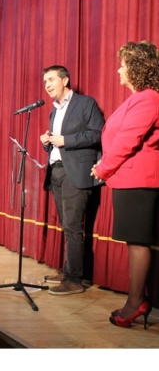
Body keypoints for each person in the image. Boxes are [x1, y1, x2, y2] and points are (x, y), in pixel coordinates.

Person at [91, 40, 159, 328]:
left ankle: (135, 303)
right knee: (135, 241)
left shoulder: (148, 98)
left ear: (137, 68)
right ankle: (136, 300)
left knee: (138, 241)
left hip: (139, 180)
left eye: (123, 64)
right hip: (130, 178)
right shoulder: (139, 98)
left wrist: (103, 168)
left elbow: (127, 141)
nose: (119, 70)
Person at [39, 65, 105, 295]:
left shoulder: (86, 103)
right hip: (56, 171)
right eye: (45, 81)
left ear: (65, 80)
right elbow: (58, 142)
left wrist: (65, 140)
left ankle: (74, 279)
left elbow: (98, 133)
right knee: (67, 225)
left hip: (76, 172)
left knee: (73, 226)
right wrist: (47, 141)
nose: (46, 85)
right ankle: (68, 270)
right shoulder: (54, 111)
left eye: (51, 79)